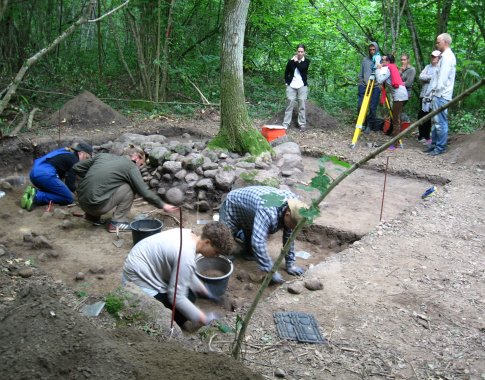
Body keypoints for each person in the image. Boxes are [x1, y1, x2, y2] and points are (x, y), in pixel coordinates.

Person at [122, 222, 233, 329]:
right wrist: (205, 318)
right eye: (216, 252)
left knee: (189, 293)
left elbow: (187, 272)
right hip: (138, 283)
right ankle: (173, 326)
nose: (215, 256)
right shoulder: (186, 255)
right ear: (207, 242)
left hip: (143, 265)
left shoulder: (187, 234)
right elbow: (176, 297)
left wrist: (206, 292)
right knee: (184, 305)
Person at [73, 146, 178, 232]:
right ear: (136, 157)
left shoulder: (102, 156)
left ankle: (91, 217)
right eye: (141, 164)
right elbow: (144, 192)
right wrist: (163, 205)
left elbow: (77, 167)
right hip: (96, 206)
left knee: (104, 186)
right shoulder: (130, 166)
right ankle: (117, 223)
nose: (139, 167)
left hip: (81, 202)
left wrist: (92, 177)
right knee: (130, 187)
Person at [219, 186, 308, 284]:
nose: (294, 229)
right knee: (223, 240)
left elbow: (289, 238)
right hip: (232, 204)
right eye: (294, 225)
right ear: (287, 214)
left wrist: (291, 265)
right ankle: (221, 256)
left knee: (251, 247)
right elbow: (258, 242)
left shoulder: (295, 206)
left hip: (250, 213)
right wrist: (270, 270)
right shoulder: (267, 211)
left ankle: (246, 247)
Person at [20, 142, 93, 211]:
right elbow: (70, 184)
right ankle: (37, 195)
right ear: (81, 153)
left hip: (34, 174)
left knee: (57, 190)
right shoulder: (74, 160)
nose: (86, 161)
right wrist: (75, 193)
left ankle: (31, 193)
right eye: (87, 157)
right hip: (45, 175)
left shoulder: (66, 151)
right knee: (68, 198)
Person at [424, 33, 456, 156]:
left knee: (440, 122)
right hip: (438, 94)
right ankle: (434, 145)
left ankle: (440, 147)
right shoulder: (444, 57)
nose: (436, 44)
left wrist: (435, 92)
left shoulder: (448, 57)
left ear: (445, 42)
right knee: (435, 122)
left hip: (441, 95)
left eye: (438, 42)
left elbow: (442, 79)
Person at [376, 54, 408, 142]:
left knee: (396, 119)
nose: (382, 62)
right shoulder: (392, 67)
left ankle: (396, 142)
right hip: (402, 94)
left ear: (388, 62)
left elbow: (379, 80)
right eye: (382, 60)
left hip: (399, 96)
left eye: (384, 60)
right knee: (397, 118)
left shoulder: (388, 69)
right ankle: (397, 139)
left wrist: (378, 70)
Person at [283, 44, 310, 132]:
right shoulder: (290, 61)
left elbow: (301, 68)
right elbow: (286, 72)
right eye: (298, 51)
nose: (300, 53)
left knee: (302, 105)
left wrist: (295, 61)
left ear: (304, 52)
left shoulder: (306, 61)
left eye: (302, 51)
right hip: (291, 85)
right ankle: (286, 124)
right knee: (290, 104)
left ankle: (302, 124)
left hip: (302, 86)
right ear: (296, 51)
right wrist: (287, 82)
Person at [417, 50, 441, 144]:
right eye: (432, 56)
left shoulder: (440, 68)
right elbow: (421, 77)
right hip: (424, 94)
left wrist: (428, 77)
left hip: (433, 95)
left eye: (435, 57)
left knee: (429, 116)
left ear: (439, 58)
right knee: (421, 115)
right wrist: (431, 77)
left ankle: (427, 136)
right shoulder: (427, 67)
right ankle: (421, 135)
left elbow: (438, 80)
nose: (433, 58)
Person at [357, 42, 382, 133]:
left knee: (372, 107)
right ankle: (363, 123)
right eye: (370, 49)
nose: (372, 51)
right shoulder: (365, 60)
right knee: (360, 106)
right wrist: (360, 82)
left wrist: (379, 85)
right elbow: (361, 73)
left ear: (376, 49)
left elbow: (384, 74)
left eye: (373, 49)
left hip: (375, 87)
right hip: (364, 85)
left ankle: (369, 125)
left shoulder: (381, 61)